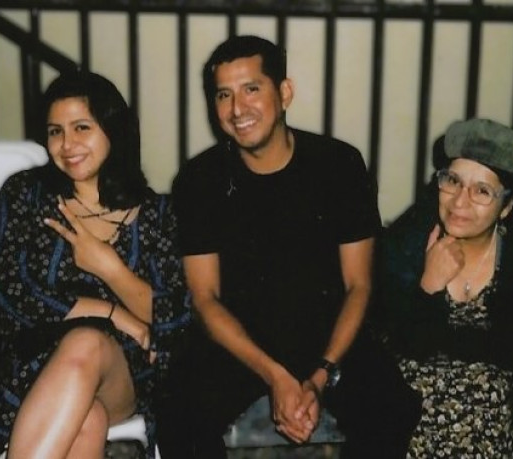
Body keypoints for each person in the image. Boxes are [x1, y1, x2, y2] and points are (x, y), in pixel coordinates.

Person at [156, 35, 421, 458]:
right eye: (223, 95)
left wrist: (320, 376)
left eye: (251, 89)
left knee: (389, 407)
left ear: (284, 93)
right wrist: (275, 376)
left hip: (326, 336)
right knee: (178, 413)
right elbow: (206, 300)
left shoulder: (338, 164)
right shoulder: (200, 179)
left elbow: (359, 286)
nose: (237, 109)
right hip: (241, 343)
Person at [0, 70, 191, 459]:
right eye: (55, 131)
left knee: (86, 342)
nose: (66, 144)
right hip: (26, 365)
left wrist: (109, 268)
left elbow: (173, 319)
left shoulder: (157, 214)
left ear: (113, 130)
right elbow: (8, 292)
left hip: (120, 373)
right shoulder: (26, 194)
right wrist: (114, 313)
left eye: (81, 127)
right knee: (85, 422)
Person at [376, 118, 513, 457]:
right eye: (452, 181)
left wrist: (462, 360)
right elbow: (408, 342)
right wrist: (428, 287)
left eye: (482, 191)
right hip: (419, 372)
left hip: (508, 378)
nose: (459, 202)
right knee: (417, 401)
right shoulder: (408, 240)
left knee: (490, 397)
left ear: (507, 206)